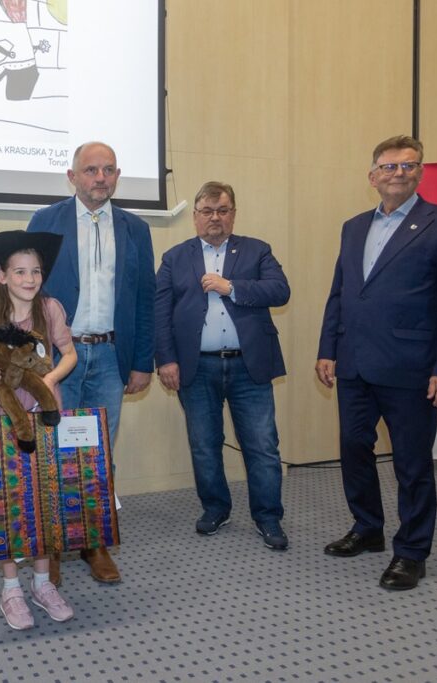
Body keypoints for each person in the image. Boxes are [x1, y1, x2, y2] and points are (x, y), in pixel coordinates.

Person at [316, 135, 437, 591]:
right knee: (353, 451)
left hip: (412, 368)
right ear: (372, 176)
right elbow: (340, 293)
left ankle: (411, 551)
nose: (398, 173)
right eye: (388, 166)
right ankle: (367, 529)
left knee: (411, 464)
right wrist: (328, 348)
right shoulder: (353, 226)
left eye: (408, 166)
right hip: (355, 364)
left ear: (420, 172)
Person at [26, 141, 155, 584]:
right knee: (52, 451)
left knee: (98, 453)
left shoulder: (136, 228)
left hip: (111, 357)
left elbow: (144, 299)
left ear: (117, 176)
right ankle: (53, 545)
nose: (101, 178)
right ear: (73, 176)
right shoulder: (46, 222)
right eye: (91, 170)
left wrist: (142, 362)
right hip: (60, 358)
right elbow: (28, 293)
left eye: (109, 170)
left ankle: (93, 541)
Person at [154, 182, 290, 549]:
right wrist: (165, 360)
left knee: (262, 445)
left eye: (223, 210)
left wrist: (232, 287)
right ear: (196, 216)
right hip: (197, 369)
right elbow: (160, 314)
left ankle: (268, 516)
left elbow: (280, 290)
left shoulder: (257, 250)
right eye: (208, 211)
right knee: (204, 444)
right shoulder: (174, 258)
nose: (215, 218)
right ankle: (215, 508)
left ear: (233, 214)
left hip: (249, 366)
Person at [0, 230, 77, 630]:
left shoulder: (50, 310)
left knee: (46, 498)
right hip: (5, 422)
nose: (29, 279)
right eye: (20, 272)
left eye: (35, 272)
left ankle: (43, 584)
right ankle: (11, 588)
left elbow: (69, 354)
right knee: (11, 500)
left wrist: (51, 380)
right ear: (2, 277)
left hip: (47, 419)